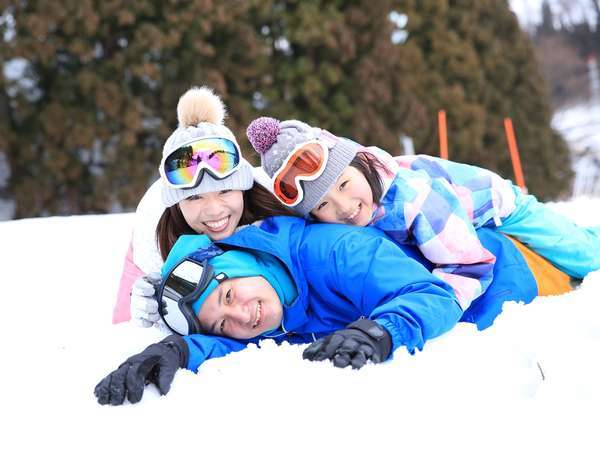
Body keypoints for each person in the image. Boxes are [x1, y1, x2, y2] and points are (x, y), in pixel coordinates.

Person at [94, 214, 572, 406]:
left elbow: (433, 294)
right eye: (224, 322)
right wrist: (177, 350)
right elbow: (228, 339)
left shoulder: (335, 251)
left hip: (521, 272)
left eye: (227, 297)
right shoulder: (266, 296)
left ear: (235, 261)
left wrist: (379, 333)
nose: (243, 317)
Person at [245, 117, 600, 308]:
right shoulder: (359, 204)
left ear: (361, 163)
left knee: (582, 253)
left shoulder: (414, 200)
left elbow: (470, 265)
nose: (344, 208)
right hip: (453, 216)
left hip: (501, 206)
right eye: (322, 205)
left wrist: (433, 304)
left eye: (342, 184)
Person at [112, 87, 291, 325]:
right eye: (195, 198)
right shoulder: (156, 237)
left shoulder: (276, 204)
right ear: (177, 203)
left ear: (243, 187)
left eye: (225, 191)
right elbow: (122, 333)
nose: (214, 210)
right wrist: (148, 314)